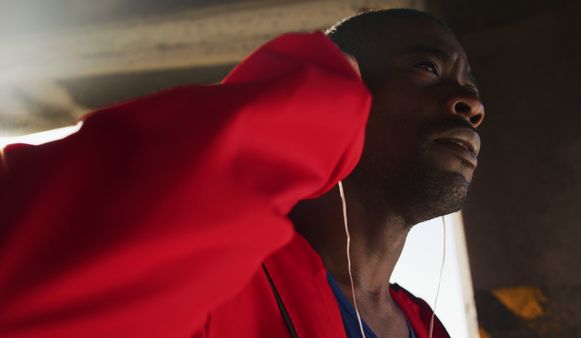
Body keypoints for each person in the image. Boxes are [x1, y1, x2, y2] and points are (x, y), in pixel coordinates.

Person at [0, 8, 483, 338]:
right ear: (347, 81)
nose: (472, 105)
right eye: (426, 67)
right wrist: (301, 102)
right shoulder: (220, 282)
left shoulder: (424, 325)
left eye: (470, 87)